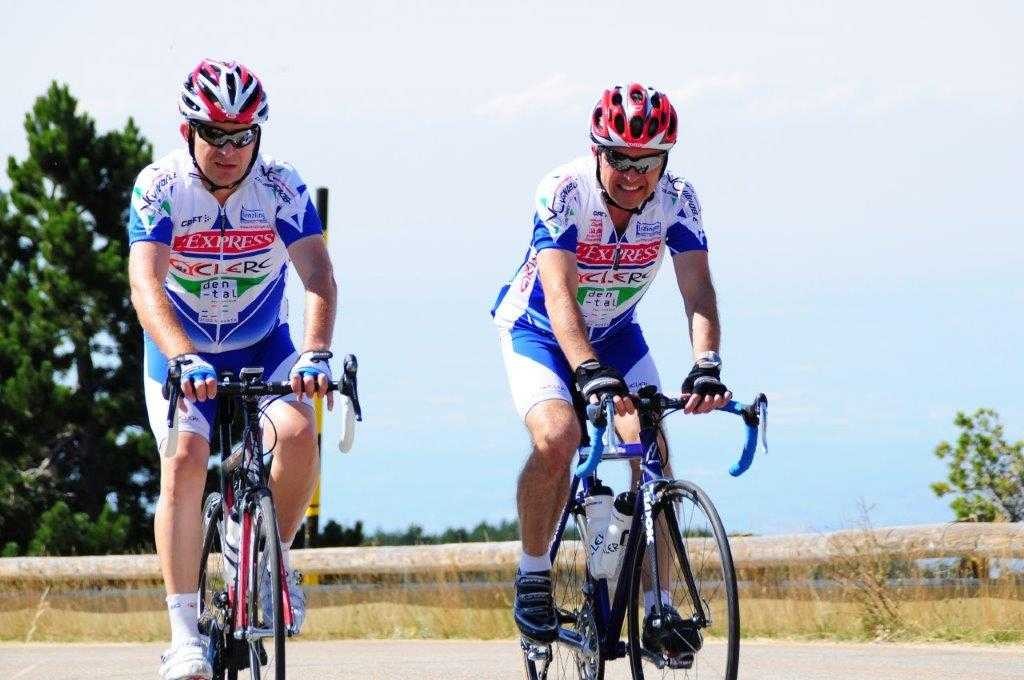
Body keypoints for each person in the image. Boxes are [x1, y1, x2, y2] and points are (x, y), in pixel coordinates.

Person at [491, 83, 731, 656]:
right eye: (620, 159)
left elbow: (697, 289)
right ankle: (533, 573)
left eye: (647, 162)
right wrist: (587, 370)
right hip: (539, 330)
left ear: (665, 161)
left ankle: (658, 607)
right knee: (559, 436)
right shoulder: (564, 190)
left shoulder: (678, 200)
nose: (633, 175)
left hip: (617, 334)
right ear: (597, 151)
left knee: (652, 450)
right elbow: (559, 294)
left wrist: (706, 364)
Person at [127, 59, 337, 680]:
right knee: (185, 460)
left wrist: (317, 351)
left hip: (262, 343)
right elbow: (145, 283)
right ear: (187, 131)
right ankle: (183, 635)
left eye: (241, 135)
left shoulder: (280, 184)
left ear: (258, 135)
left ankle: (271, 560)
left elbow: (318, 274)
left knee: (298, 434)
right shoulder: (161, 185)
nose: (228, 149)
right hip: (180, 349)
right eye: (214, 134)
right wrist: (181, 355)